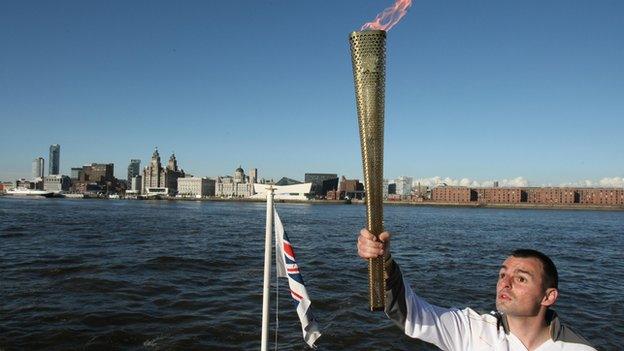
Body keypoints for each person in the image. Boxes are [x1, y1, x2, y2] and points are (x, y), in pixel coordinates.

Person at [357, 229, 596, 351]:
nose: (505, 282)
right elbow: (412, 314)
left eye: (521, 279)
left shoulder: (579, 349)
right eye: (503, 274)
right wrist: (384, 261)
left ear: (548, 296)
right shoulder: (473, 329)